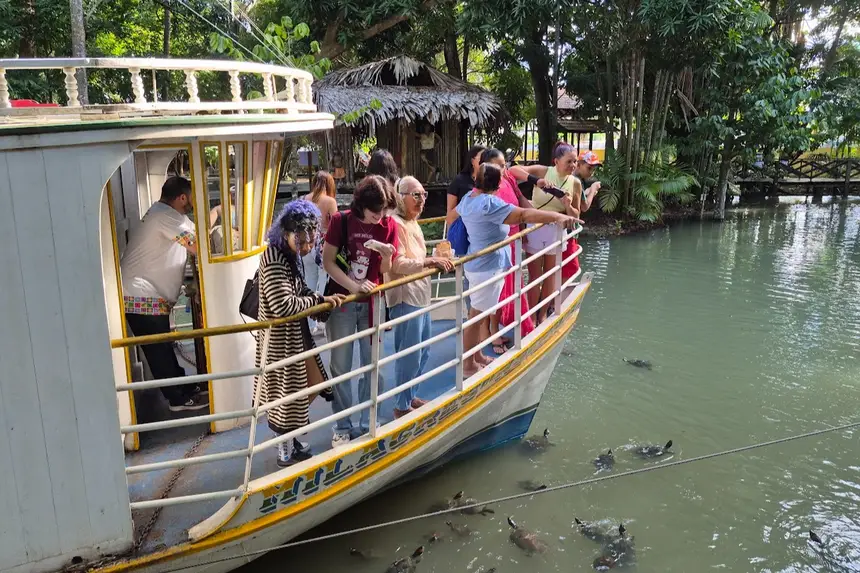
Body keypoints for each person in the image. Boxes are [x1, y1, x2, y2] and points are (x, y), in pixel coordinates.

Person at [457, 164, 579, 377]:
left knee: (478, 314)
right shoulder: (490, 203)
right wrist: (556, 217)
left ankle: (476, 357)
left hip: (476, 264)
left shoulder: (469, 198)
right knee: (476, 317)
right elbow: (523, 215)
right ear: (496, 185)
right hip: (487, 267)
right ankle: (468, 365)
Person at [255, 201, 346, 466]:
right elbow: (283, 305)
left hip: (295, 337)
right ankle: (284, 447)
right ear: (286, 233)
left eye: (310, 242)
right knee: (284, 395)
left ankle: (290, 437)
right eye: (302, 242)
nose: (307, 248)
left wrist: (322, 299)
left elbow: (299, 291)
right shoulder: (273, 258)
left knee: (305, 387)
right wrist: (317, 302)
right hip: (280, 341)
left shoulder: (287, 254)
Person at [121, 176, 209, 412]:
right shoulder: (164, 216)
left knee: (163, 345)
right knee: (158, 349)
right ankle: (176, 399)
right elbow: (197, 244)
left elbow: (197, 232)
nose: (192, 202)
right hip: (141, 295)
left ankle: (182, 387)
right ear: (182, 197)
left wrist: (218, 212)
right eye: (191, 198)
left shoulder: (168, 215)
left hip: (146, 294)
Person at [323, 175, 398, 447]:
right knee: (341, 366)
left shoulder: (388, 225)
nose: (379, 217)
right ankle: (342, 425)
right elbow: (328, 262)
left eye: (383, 210)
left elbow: (384, 270)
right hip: (342, 301)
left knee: (373, 364)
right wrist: (353, 287)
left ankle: (369, 421)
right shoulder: (341, 221)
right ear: (360, 205)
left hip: (373, 303)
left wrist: (388, 254)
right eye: (374, 211)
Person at [385, 177, 454, 418]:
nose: (421, 200)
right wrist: (429, 260)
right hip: (405, 297)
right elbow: (396, 263)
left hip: (421, 294)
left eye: (423, 195)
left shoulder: (412, 222)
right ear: (400, 196)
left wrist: (436, 256)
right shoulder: (394, 224)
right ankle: (401, 405)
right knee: (409, 354)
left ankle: (409, 394)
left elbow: (417, 256)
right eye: (415, 195)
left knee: (422, 352)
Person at [509, 142, 582, 325]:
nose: (573, 166)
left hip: (556, 230)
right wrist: (536, 181)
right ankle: (531, 316)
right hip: (535, 227)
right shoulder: (544, 171)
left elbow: (577, 215)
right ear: (556, 161)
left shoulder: (576, 183)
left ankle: (542, 314)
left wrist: (567, 204)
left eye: (575, 162)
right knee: (535, 276)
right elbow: (514, 170)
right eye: (569, 161)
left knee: (550, 274)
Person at [479, 148, 535, 352]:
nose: (504, 169)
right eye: (499, 165)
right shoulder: (485, 190)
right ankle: (489, 330)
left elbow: (520, 202)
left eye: (504, 165)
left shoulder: (508, 179)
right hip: (496, 243)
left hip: (512, 240)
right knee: (496, 289)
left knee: (508, 288)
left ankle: (496, 326)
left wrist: (537, 221)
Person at [302, 171, 339, 335]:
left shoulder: (304, 199)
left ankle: (309, 321)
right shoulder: (330, 201)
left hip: (307, 242)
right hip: (323, 244)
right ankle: (322, 320)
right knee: (323, 280)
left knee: (309, 280)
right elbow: (334, 225)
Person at [445, 145, 486, 228]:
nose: (484, 162)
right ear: (472, 161)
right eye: (481, 159)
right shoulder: (459, 181)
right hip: (463, 227)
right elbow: (450, 214)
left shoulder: (490, 181)